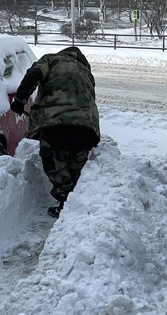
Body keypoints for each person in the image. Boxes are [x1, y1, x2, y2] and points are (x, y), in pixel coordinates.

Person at [10, 47, 101, 218]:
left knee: (53, 162)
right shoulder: (87, 73)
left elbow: (33, 75)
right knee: (76, 165)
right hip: (86, 127)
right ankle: (77, 205)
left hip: (56, 123)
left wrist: (19, 100)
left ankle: (66, 200)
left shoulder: (51, 60)